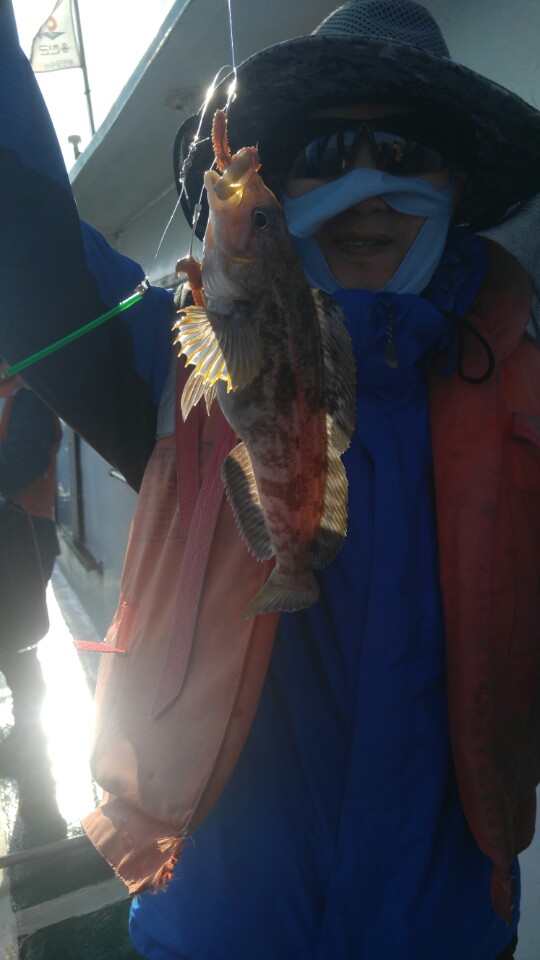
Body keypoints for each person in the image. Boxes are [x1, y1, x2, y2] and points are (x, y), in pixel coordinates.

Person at [0, 1, 539, 959]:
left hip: (455, 931)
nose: (369, 190)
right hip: (222, 935)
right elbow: (25, 242)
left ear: (456, 180)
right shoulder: (179, 357)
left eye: (406, 152)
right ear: (278, 185)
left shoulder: (523, 392)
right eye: (327, 151)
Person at [0, 359, 62, 778]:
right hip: (15, 538)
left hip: (22, 541)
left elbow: (27, 459)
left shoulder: (31, 398)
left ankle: (31, 734)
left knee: (17, 642)